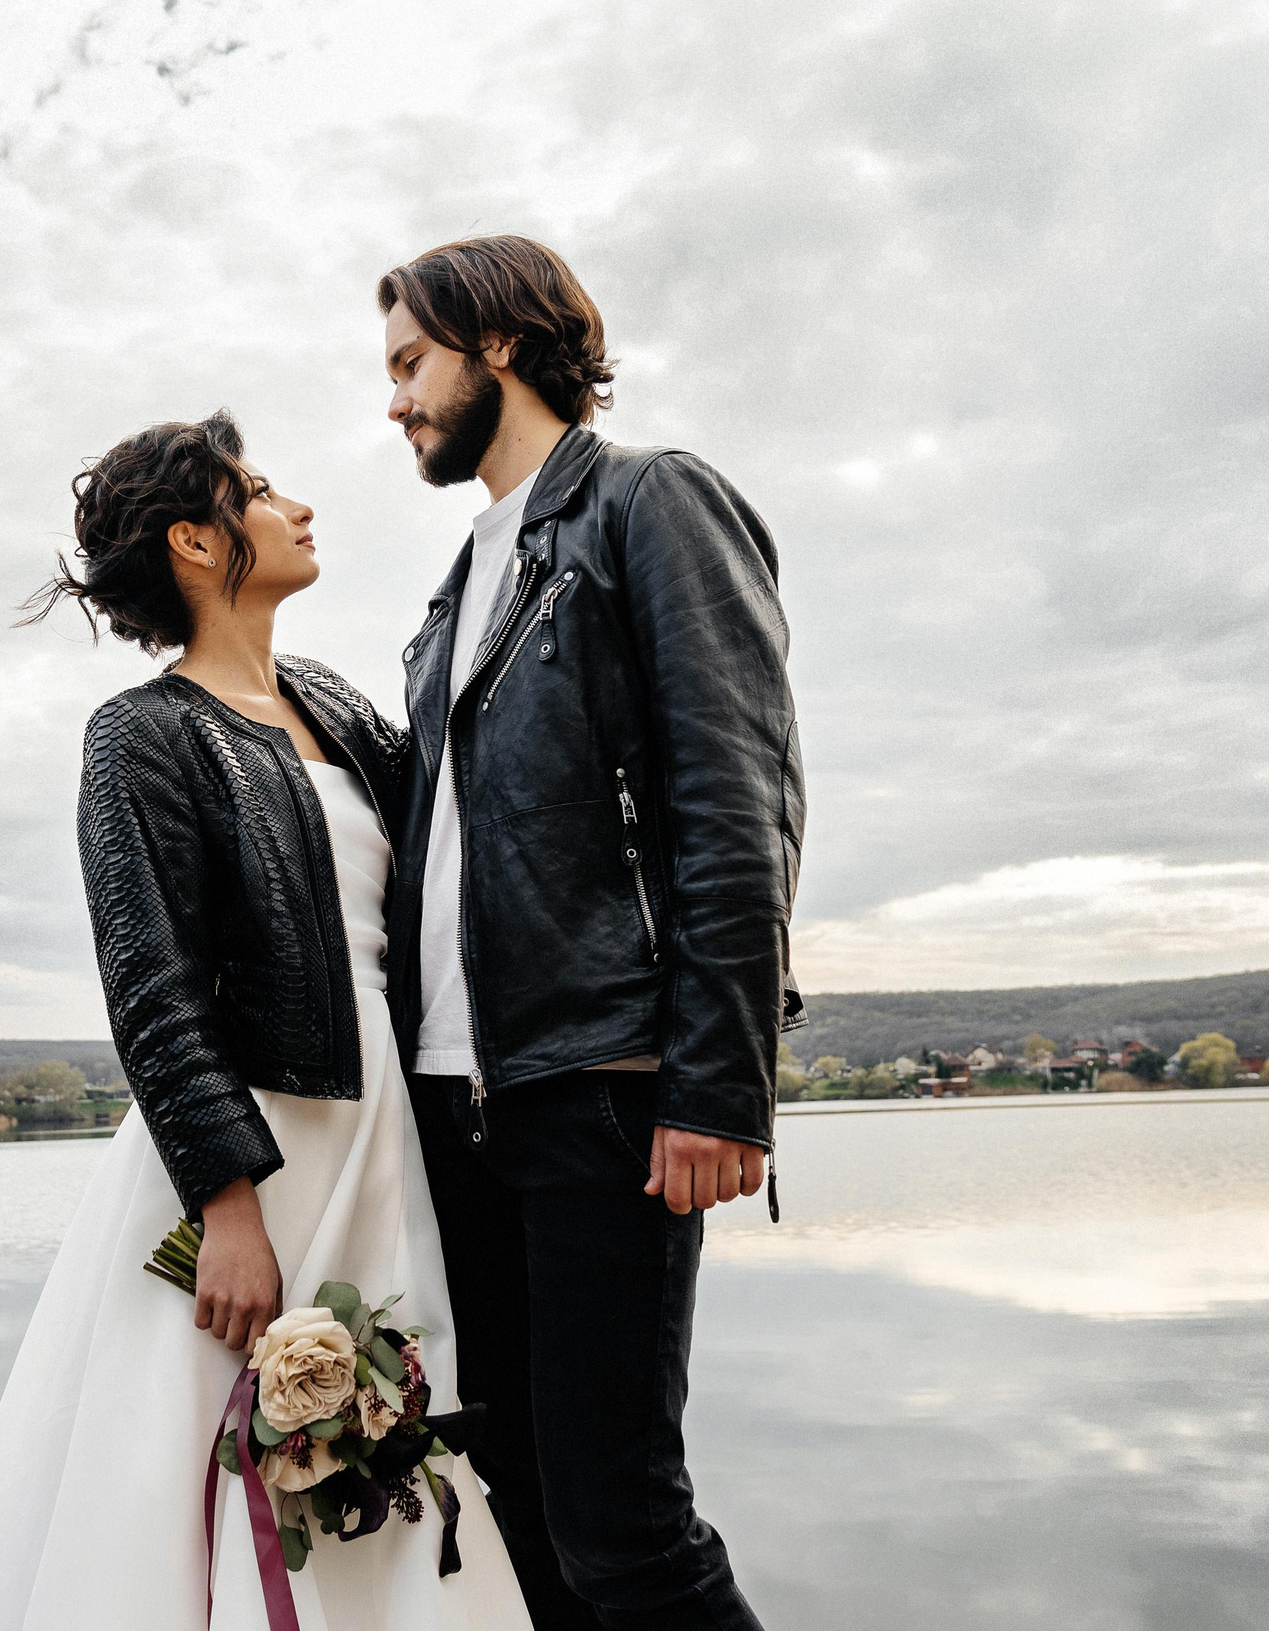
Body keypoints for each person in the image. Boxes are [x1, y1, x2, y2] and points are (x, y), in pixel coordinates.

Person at [0, 411, 533, 1630]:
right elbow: (148, 985)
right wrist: (226, 1207)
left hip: (384, 1135)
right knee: (183, 1466)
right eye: (258, 491)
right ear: (197, 545)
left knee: (388, 1450)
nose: (296, 506)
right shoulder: (138, 736)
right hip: (253, 1153)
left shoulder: (336, 704)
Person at [377, 235, 804, 1631]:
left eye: (409, 364)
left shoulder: (646, 501)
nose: (395, 404)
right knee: (511, 1498)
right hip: (458, 1097)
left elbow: (737, 801)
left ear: (495, 341)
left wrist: (717, 1079)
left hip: (603, 1086)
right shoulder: (450, 596)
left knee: (624, 1522)